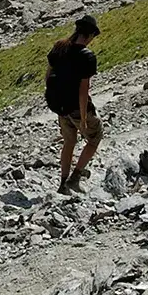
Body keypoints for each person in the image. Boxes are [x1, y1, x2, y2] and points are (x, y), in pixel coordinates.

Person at [45, 14, 102, 194]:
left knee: (69, 141)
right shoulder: (86, 56)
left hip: (60, 105)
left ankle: (62, 184)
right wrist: (84, 118)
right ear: (90, 35)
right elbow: (83, 90)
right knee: (94, 138)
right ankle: (75, 178)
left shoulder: (59, 47)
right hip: (76, 107)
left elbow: (48, 76)